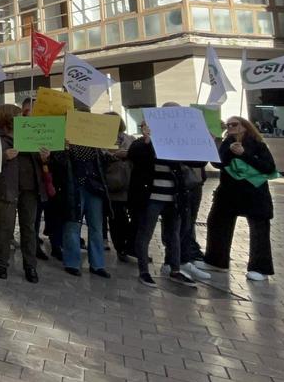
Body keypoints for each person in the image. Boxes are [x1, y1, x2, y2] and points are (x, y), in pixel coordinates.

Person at [204, 116, 278, 281]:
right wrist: (214, 143)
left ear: (245, 127)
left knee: (259, 231)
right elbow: (218, 163)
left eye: (234, 124)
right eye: (228, 125)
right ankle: (216, 261)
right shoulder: (226, 143)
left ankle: (260, 268)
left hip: (254, 193)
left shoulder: (257, 144)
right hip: (228, 193)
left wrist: (244, 154)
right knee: (217, 223)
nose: (230, 127)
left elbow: (268, 167)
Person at [127, 119, 196, 288]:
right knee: (145, 233)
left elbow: (195, 161)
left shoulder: (175, 142)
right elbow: (133, 156)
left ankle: (175, 269)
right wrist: (147, 142)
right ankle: (144, 271)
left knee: (173, 234)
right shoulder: (141, 144)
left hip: (173, 198)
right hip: (151, 197)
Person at [0, 104, 47, 283]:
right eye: (17, 115)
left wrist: (44, 157)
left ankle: (30, 266)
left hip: (29, 187)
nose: (21, 118)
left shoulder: (28, 132)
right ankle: (1, 264)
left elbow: (37, 159)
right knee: (4, 228)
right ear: (7, 117)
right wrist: (4, 156)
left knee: (29, 228)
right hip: (6, 188)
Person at [55, 136, 113, 279]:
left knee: (96, 227)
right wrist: (65, 149)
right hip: (73, 188)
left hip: (94, 188)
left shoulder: (95, 145)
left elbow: (105, 163)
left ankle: (97, 264)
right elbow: (58, 164)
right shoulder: (66, 142)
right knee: (72, 225)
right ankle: (72, 263)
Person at [105, 116, 135, 263]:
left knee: (134, 219)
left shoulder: (130, 139)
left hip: (130, 184)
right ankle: (121, 248)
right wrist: (113, 155)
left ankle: (132, 247)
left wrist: (128, 154)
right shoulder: (101, 140)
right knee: (117, 219)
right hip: (112, 185)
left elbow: (139, 155)